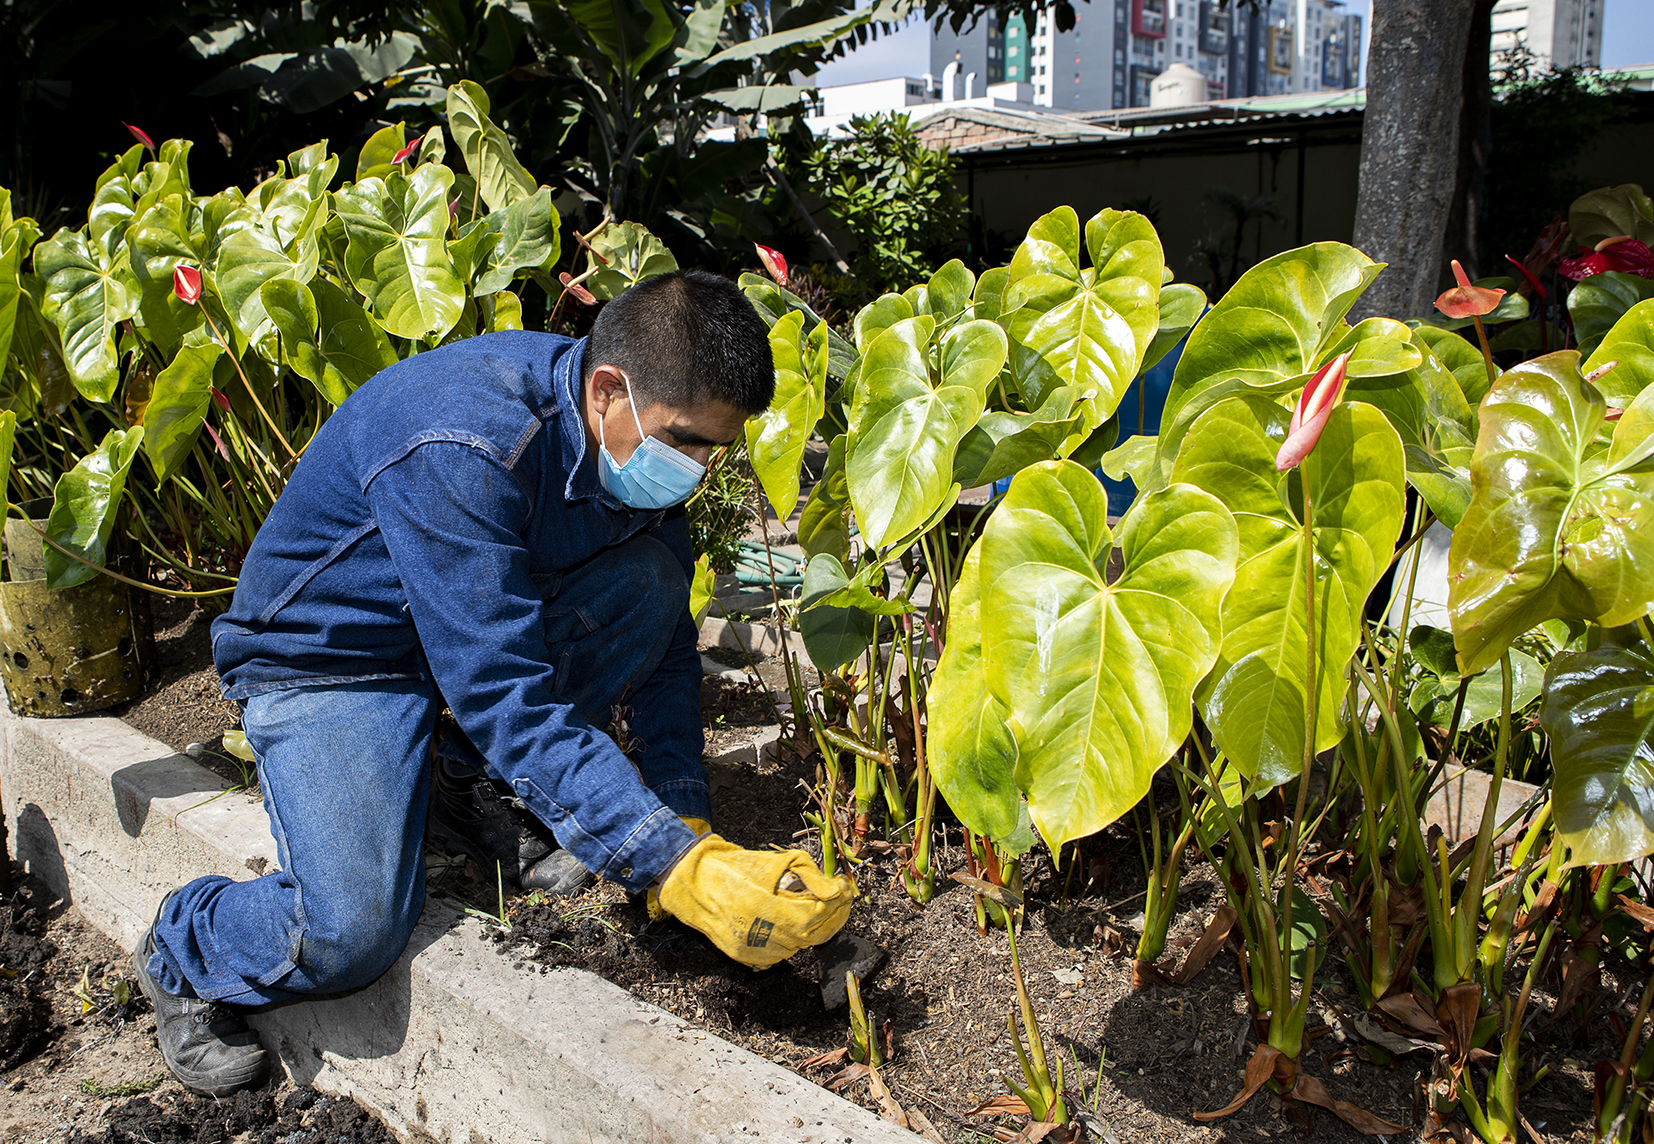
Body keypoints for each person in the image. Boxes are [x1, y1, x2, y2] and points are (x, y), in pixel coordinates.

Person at [131, 269, 855, 1097]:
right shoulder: (465, 443)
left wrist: (683, 812)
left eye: (716, 449)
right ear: (607, 388)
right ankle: (186, 949)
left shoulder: (630, 445)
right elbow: (506, 692)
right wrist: (670, 864)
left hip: (464, 632)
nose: (697, 469)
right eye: (685, 440)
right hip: (335, 657)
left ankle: (456, 779)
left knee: (652, 581)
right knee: (352, 935)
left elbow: (664, 656)